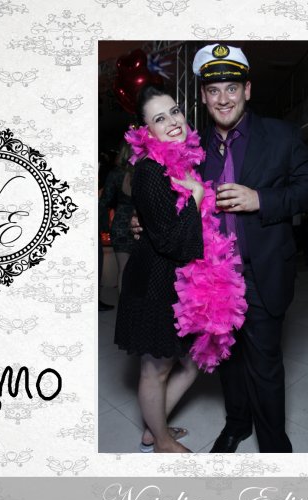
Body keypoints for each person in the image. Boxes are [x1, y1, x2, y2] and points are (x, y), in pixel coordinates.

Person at [193, 44, 308, 452]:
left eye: (231, 88)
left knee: (264, 363)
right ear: (203, 97)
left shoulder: (280, 135)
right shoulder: (193, 148)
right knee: (228, 360)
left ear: (247, 90)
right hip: (213, 279)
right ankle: (236, 425)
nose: (223, 98)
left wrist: (260, 199)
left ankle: (273, 443)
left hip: (261, 271)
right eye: (214, 90)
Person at [114, 86, 208, 453]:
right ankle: (162, 442)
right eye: (159, 118)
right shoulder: (150, 171)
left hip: (171, 281)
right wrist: (195, 198)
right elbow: (170, 241)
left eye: (174, 111)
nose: (172, 121)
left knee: (189, 364)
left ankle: (154, 430)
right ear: (146, 131)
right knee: (156, 369)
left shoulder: (180, 164)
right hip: (153, 283)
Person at [99, 143, 136, 292]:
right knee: (139, 271)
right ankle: (134, 305)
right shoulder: (144, 172)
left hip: (120, 223)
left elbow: (104, 201)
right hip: (139, 223)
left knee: (123, 269)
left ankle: (123, 305)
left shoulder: (116, 173)